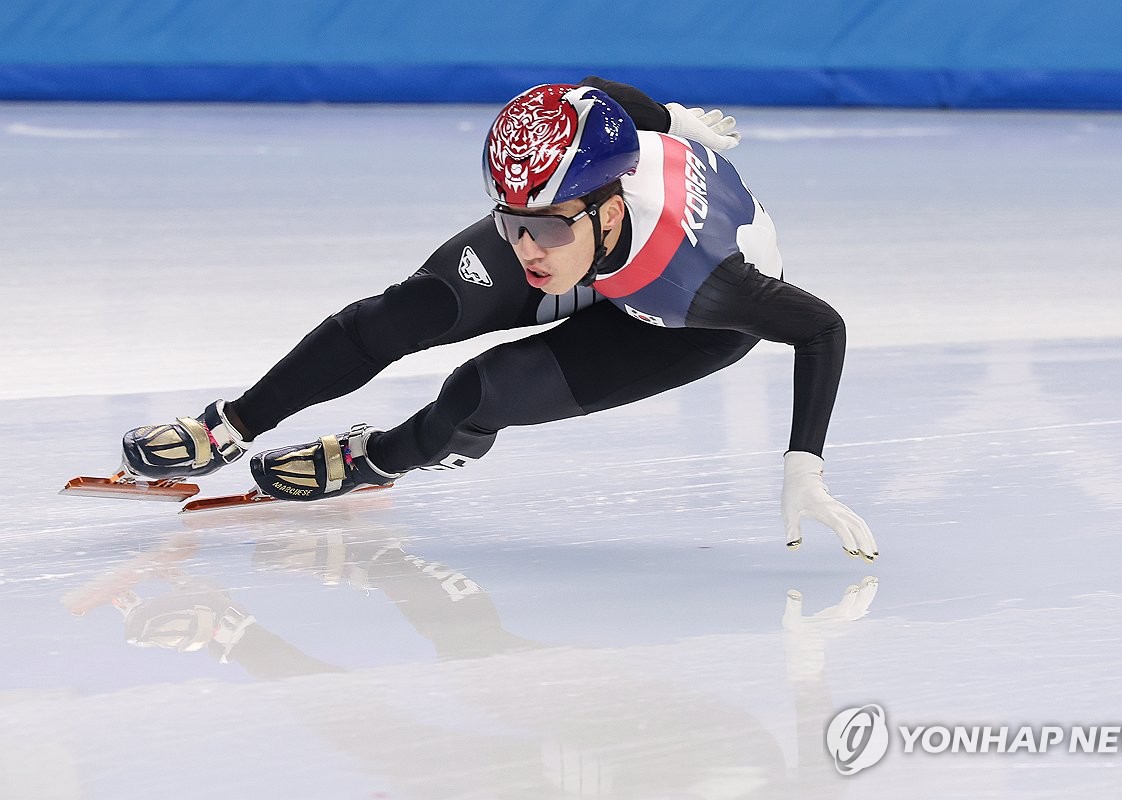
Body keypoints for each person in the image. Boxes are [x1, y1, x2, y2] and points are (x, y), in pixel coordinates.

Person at [121, 79, 878, 562]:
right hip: (614, 249)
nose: (526, 249)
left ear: (609, 206)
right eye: (511, 222)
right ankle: (228, 425)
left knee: (477, 393)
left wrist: (802, 466)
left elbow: (822, 328)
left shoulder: (705, 281)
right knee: (407, 311)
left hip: (676, 323)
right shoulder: (565, 197)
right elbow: (598, 95)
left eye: (544, 227)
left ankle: (375, 458)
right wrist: (678, 118)